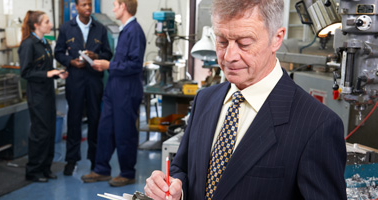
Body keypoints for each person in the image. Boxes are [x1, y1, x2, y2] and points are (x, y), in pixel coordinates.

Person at [144, 0, 347, 199]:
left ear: (277, 38)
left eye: (244, 43)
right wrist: (175, 188)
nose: (229, 56)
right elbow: (183, 169)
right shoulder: (204, 100)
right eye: (222, 41)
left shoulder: (317, 125)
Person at [80, 0, 146, 187]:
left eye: (115, 5)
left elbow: (134, 64)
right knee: (105, 129)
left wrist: (109, 65)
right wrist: (102, 62)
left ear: (124, 6)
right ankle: (101, 169)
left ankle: (127, 172)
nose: (113, 9)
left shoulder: (135, 31)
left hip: (126, 90)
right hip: (114, 88)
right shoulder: (124, 30)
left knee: (124, 131)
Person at [55, 0, 113, 175]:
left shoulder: (100, 29)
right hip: (75, 80)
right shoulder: (66, 28)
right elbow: (58, 52)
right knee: (74, 120)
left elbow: (108, 53)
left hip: (94, 80)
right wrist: (70, 62)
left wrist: (96, 55)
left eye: (89, 4)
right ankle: (71, 160)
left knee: (95, 120)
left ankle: (95, 160)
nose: (88, 8)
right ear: (77, 7)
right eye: (84, 5)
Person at [19, 10, 68, 182]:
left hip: (48, 93)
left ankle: (46, 168)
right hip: (37, 95)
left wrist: (57, 74)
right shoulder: (28, 45)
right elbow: (25, 72)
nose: (51, 25)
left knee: (49, 131)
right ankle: (33, 171)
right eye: (47, 22)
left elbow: (45, 69)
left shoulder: (45, 44)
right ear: (36, 25)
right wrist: (48, 74)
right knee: (39, 133)